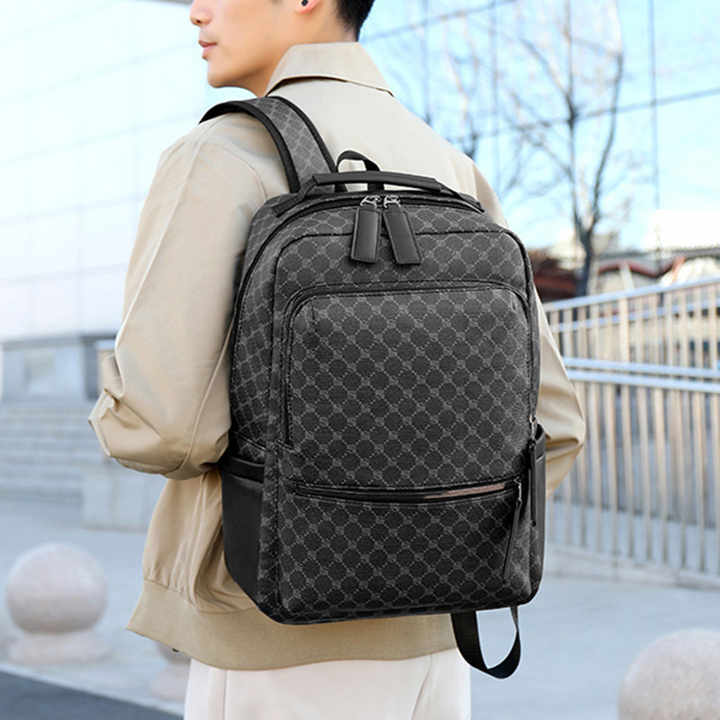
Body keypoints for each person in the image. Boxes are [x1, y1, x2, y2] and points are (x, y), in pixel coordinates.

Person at [87, 0, 586, 718]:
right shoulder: (450, 167)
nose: (196, 10)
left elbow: (166, 427)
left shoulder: (221, 154)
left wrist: (117, 402)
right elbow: (557, 423)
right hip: (443, 646)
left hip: (275, 634)